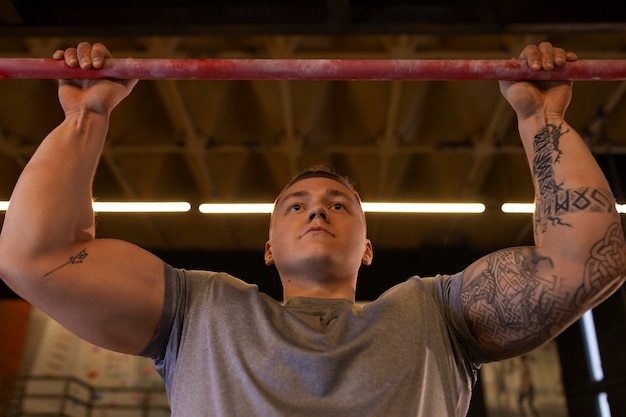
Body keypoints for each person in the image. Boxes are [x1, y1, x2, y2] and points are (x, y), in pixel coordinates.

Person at [0, 41, 624, 417]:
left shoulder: (437, 315)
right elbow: (36, 255)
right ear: (267, 247)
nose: (317, 209)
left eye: (339, 204)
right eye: (294, 205)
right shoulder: (201, 309)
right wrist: (85, 118)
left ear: (368, 246)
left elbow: (584, 263)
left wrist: (541, 119)